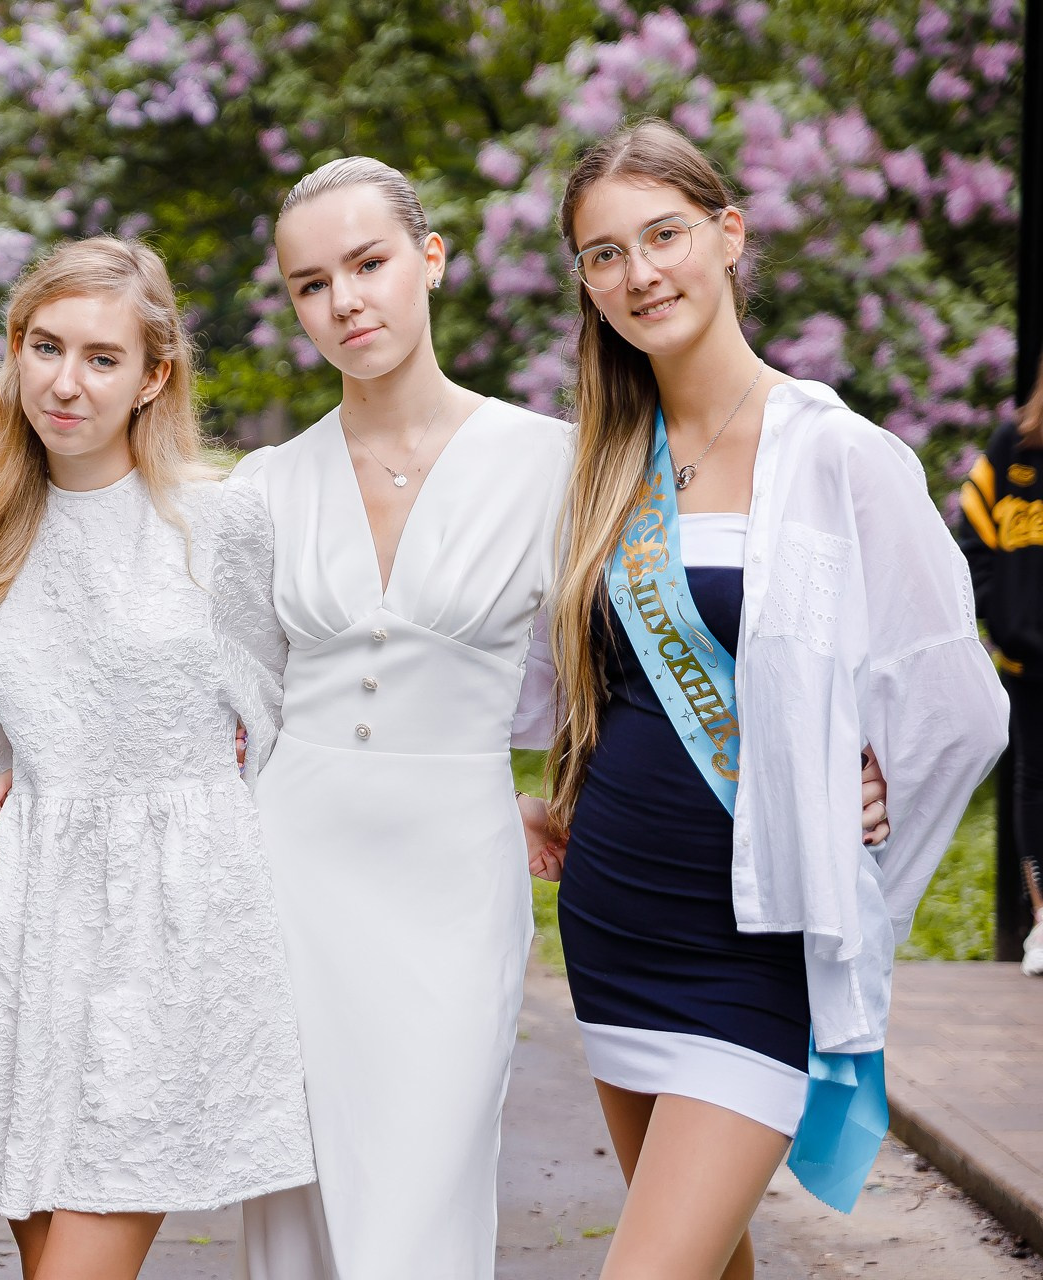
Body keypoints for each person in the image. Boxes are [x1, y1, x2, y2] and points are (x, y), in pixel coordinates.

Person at [535, 118, 1004, 1279]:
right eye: (605, 254)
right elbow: (574, 683)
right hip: (613, 923)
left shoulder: (837, 455)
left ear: (729, 234)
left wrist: (867, 803)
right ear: (586, 284)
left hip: (750, 950)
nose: (640, 273)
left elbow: (958, 704)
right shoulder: (602, 463)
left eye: (664, 235)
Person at [0, 236, 313, 1280]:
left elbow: (280, 714)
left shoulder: (219, 524)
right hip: (34, 931)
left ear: (153, 376)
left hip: (173, 925)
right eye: (46, 347)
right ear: (15, 351)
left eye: (102, 358)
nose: (65, 382)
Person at [226, 156, 573, 1279]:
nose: (345, 301)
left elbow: (601, 673)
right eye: (311, 284)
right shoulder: (265, 486)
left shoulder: (552, 464)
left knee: (427, 1182)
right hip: (292, 861)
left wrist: (561, 789)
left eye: (368, 263)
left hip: (454, 864)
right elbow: (226, 699)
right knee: (299, 1199)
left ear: (430, 260)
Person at [957, 360, 1043, 976]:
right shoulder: (1014, 445)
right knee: (1034, 783)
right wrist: (1002, 614)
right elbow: (973, 534)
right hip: (1028, 659)